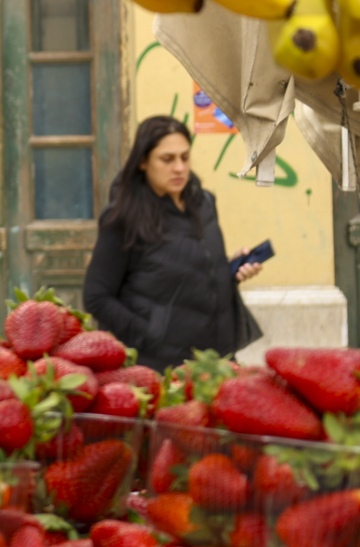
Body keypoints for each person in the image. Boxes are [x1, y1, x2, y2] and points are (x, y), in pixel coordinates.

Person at [82, 115, 265, 370]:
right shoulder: (122, 218)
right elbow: (96, 297)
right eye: (167, 159)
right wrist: (149, 336)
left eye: (185, 157)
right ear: (143, 161)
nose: (179, 167)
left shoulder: (205, 203)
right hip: (161, 367)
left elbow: (183, 267)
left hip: (217, 356)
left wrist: (229, 270)